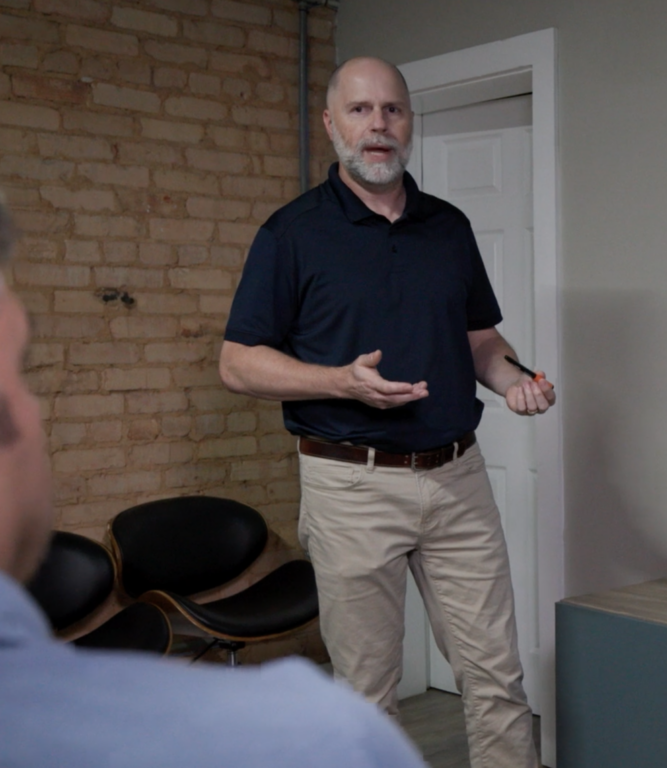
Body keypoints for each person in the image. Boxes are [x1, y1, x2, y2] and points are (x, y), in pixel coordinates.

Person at [0, 201, 427, 767]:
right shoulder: (322, 735)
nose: (32, 411)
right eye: (18, 373)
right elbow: (237, 365)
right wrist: (340, 383)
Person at [219, 57, 553, 768]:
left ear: (410, 123)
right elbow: (238, 362)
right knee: (368, 695)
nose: (379, 126)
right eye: (362, 111)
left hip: (458, 478)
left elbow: (481, 342)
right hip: (351, 485)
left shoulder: (449, 227)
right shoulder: (292, 233)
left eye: (393, 111)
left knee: (497, 679)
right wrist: (341, 382)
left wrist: (515, 380)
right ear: (332, 123)